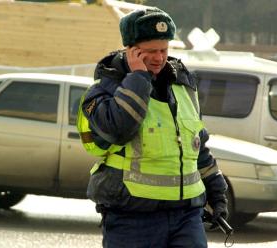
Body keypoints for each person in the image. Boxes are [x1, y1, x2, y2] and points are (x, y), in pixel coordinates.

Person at [77, 7, 228, 248]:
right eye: (150, 52)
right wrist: (139, 77)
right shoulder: (102, 90)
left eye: (164, 50)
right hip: (132, 218)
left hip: (186, 216)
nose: (159, 58)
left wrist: (217, 195)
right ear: (131, 50)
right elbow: (119, 130)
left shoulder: (183, 86)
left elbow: (197, 148)